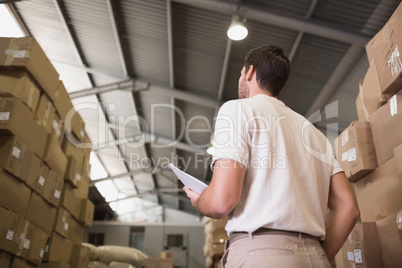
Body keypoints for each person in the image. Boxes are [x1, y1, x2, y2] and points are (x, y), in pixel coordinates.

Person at [183, 45, 360, 267]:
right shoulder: (314, 134)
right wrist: (318, 255)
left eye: (240, 74)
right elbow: (348, 208)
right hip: (315, 257)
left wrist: (200, 201)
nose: (240, 80)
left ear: (249, 72)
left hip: (260, 254)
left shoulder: (237, 110)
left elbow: (221, 202)